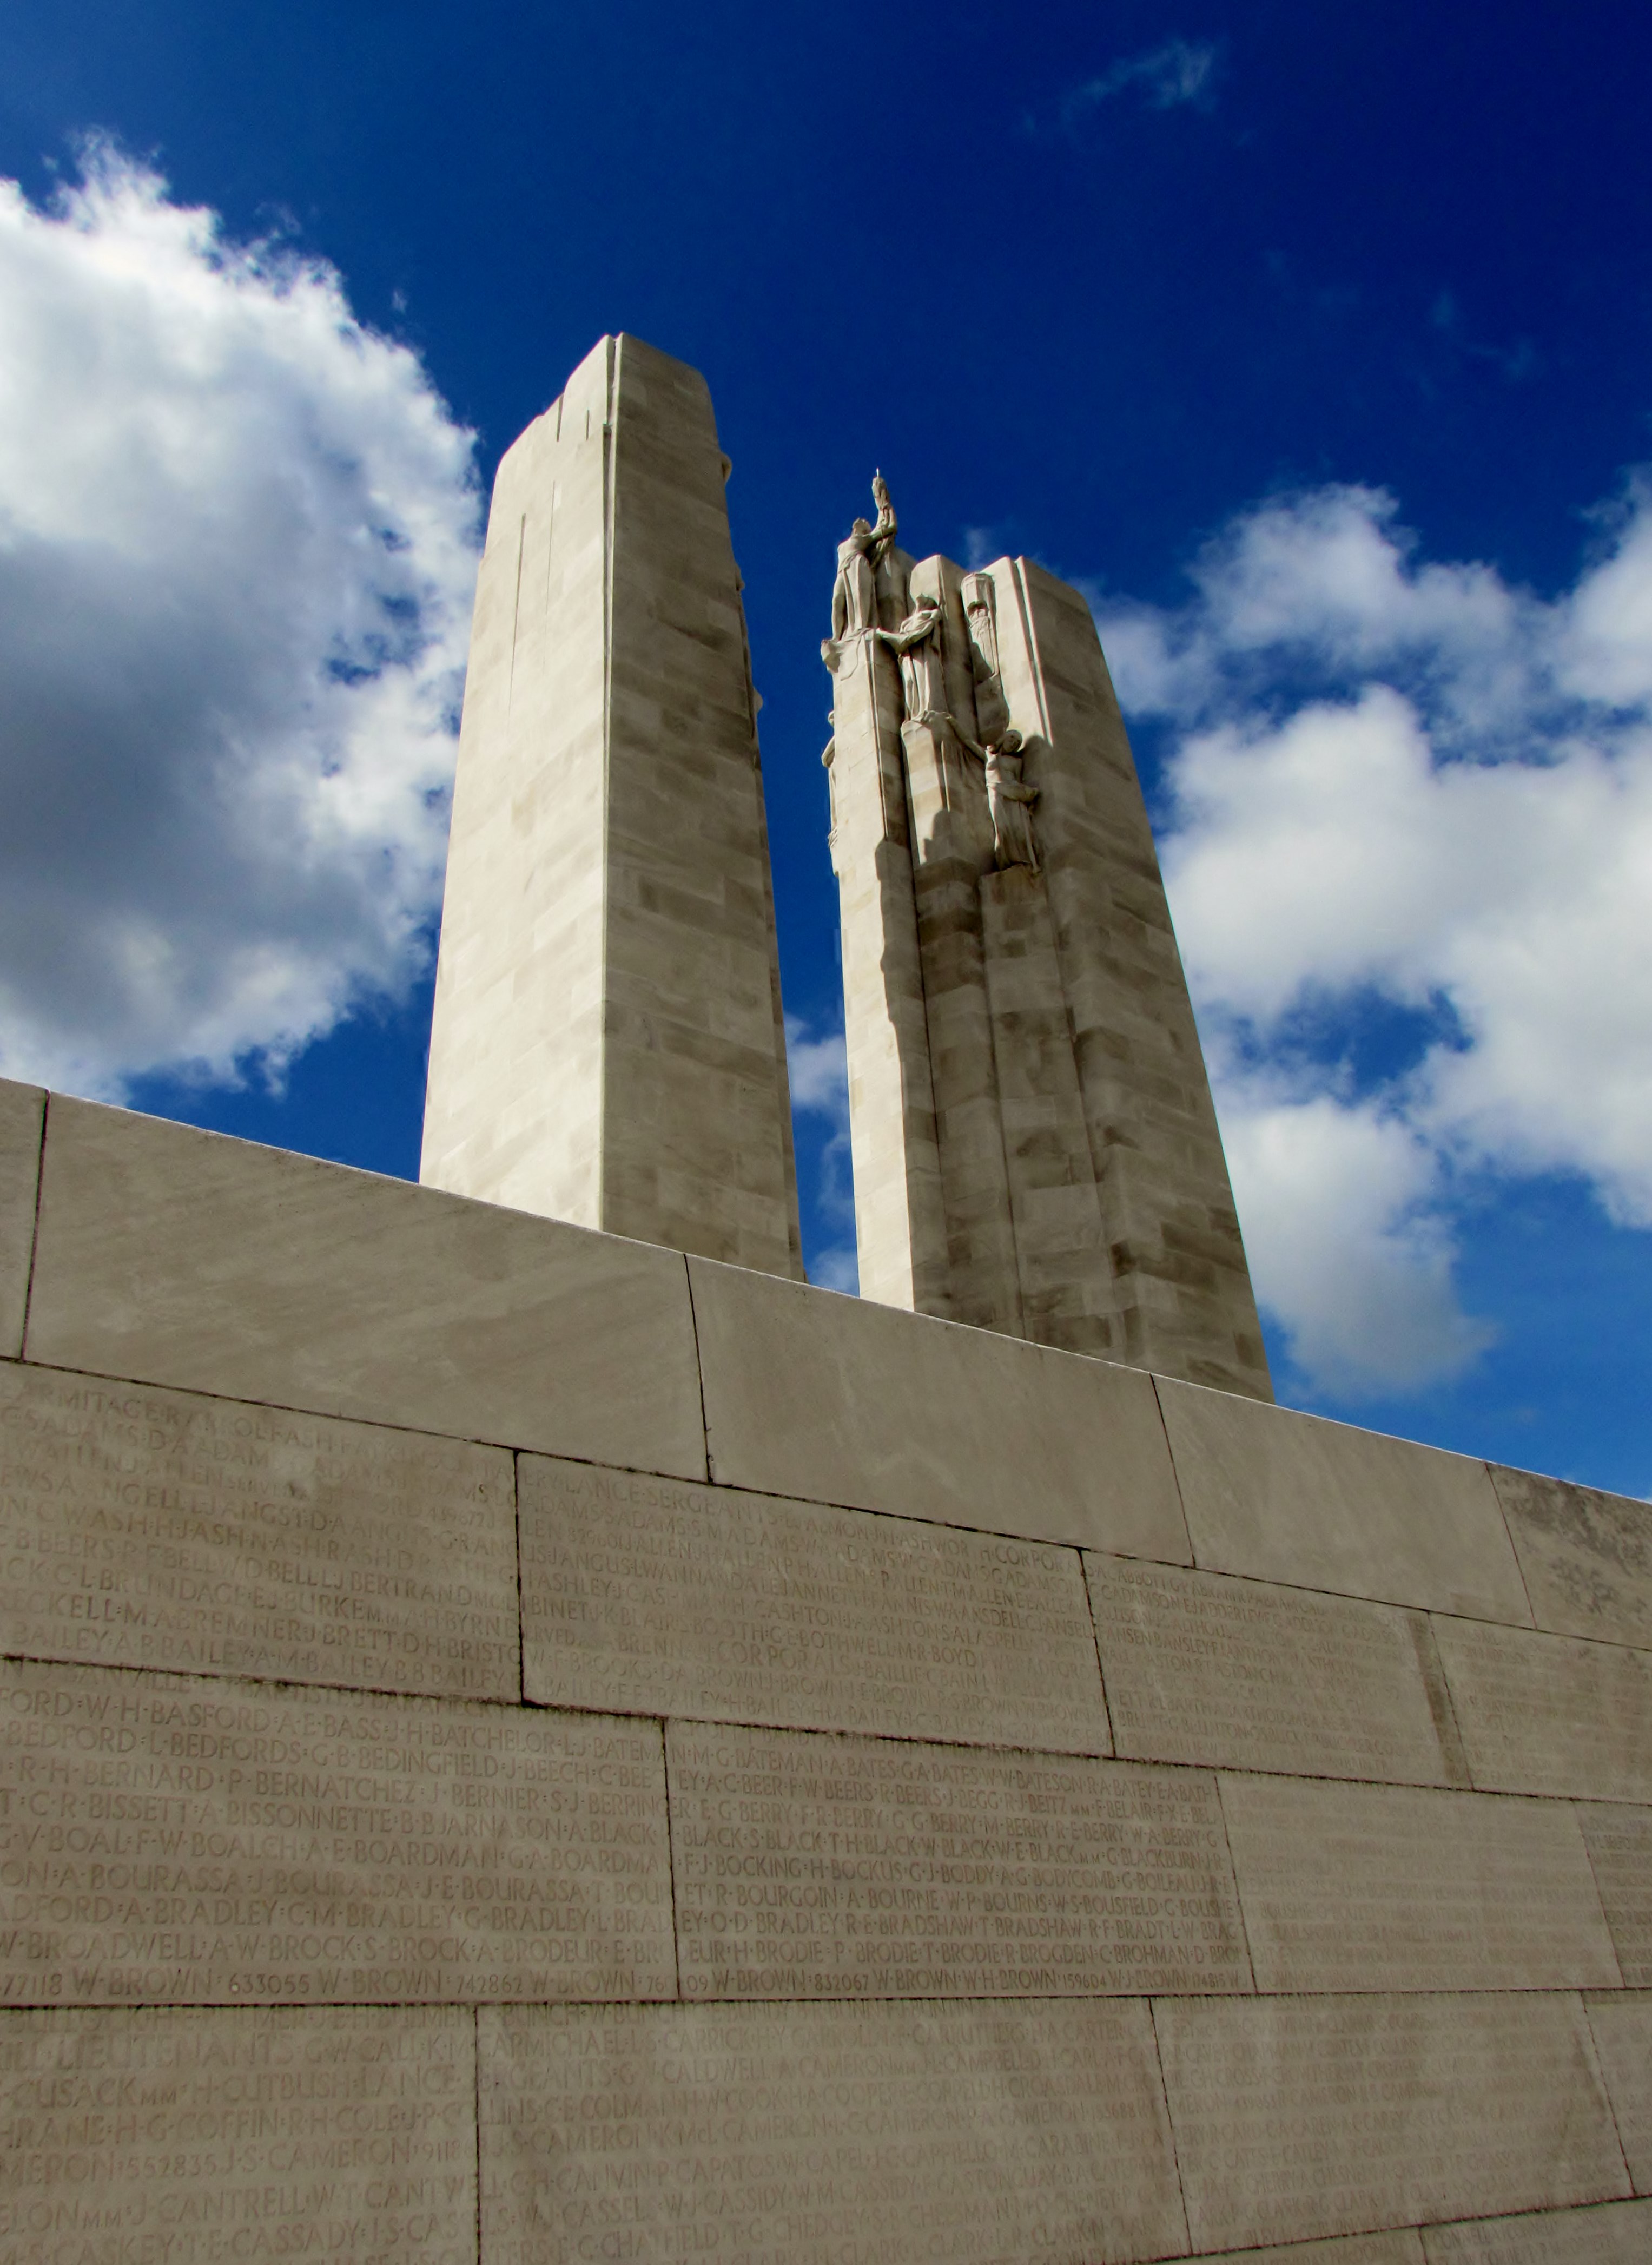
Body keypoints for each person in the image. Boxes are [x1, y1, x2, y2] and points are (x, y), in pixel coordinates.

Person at [983, 729, 1039, 870]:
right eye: (1012, 739)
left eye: (1017, 743)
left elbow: (1017, 781)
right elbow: (969, 743)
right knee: (1002, 828)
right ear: (1004, 739)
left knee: (1018, 828)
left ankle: (1022, 860)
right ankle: (1005, 861)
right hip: (996, 792)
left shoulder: (1017, 762)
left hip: (1013, 795)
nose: (1013, 743)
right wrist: (953, 724)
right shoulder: (988, 755)